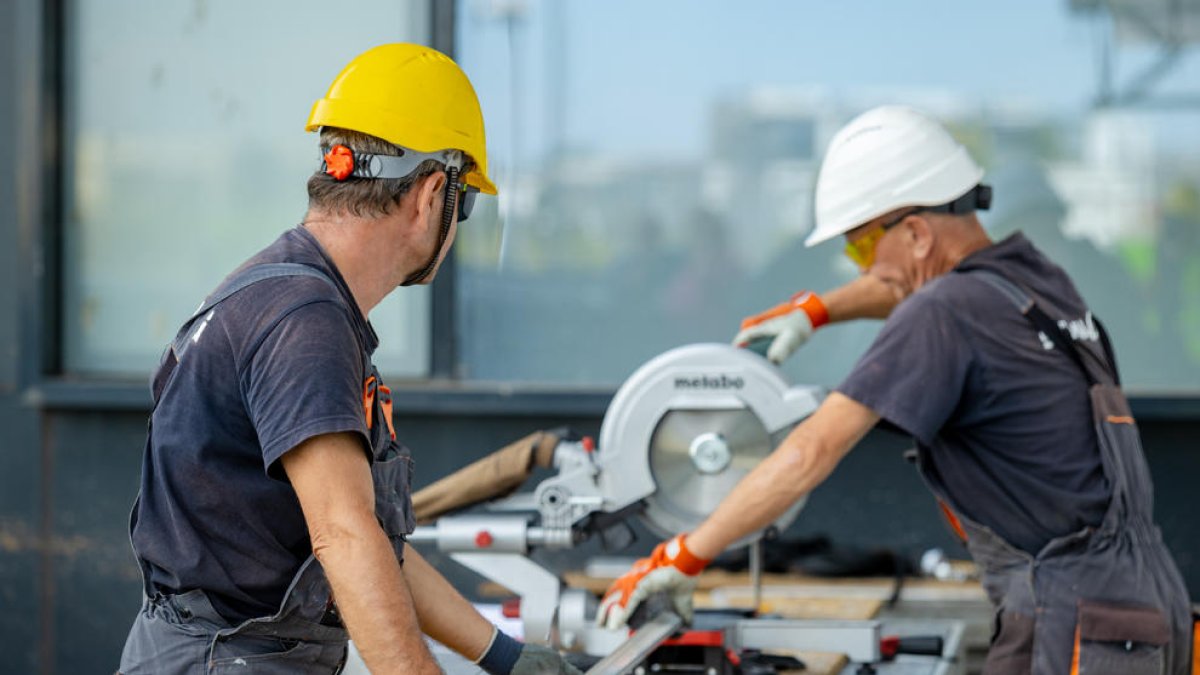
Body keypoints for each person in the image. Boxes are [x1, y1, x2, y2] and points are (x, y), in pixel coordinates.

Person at [598, 105, 1193, 674]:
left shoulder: (944, 313)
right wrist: (817, 310)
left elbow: (810, 452)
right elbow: (906, 285)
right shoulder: (1032, 280)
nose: (859, 269)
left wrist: (684, 554)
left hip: (1073, 626)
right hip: (1144, 606)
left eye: (859, 245)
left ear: (915, 231)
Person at [119, 44, 580, 675]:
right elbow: (345, 537)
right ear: (430, 195)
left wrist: (502, 655)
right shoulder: (304, 322)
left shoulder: (288, 297)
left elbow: (367, 537)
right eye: (463, 203)